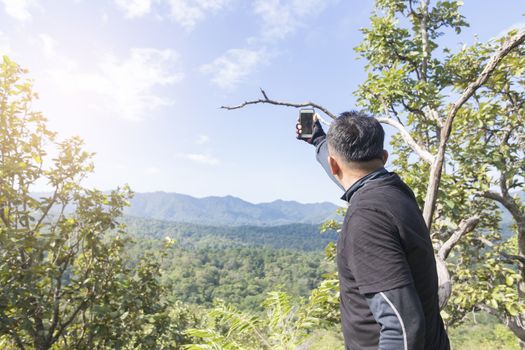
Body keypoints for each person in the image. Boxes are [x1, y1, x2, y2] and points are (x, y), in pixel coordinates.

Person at [296, 111, 450, 350]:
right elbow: (350, 172)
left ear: (333, 164)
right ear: (384, 157)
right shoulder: (394, 191)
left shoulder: (367, 218)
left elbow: (403, 327)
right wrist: (317, 140)